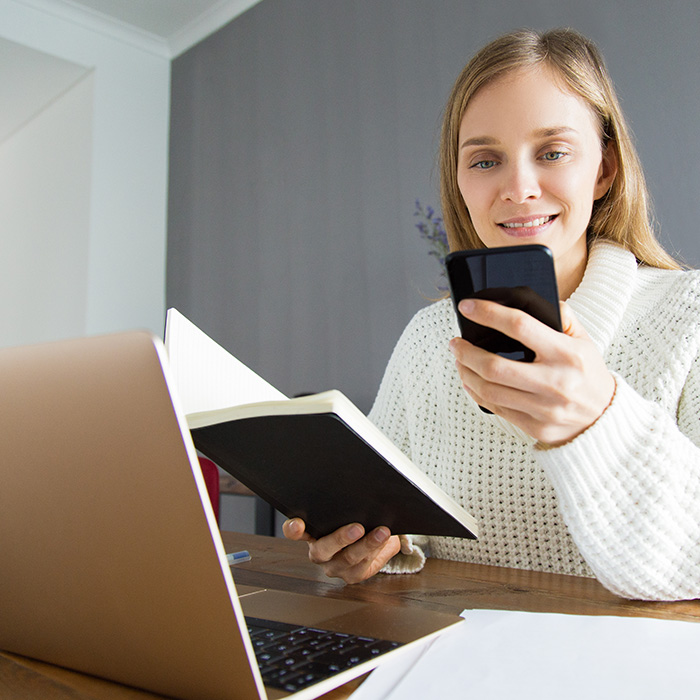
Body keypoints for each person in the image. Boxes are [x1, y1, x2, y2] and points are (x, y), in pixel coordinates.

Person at [283, 28, 700, 601]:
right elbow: (393, 523)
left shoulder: (689, 318)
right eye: (484, 160)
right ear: (459, 180)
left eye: (553, 152)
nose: (518, 187)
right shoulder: (428, 339)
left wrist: (595, 420)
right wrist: (375, 544)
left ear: (604, 169)